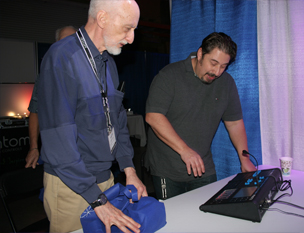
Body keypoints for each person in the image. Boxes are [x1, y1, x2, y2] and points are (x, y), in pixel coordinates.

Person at [37, 1, 146, 232]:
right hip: (72, 186)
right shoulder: (62, 58)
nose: (131, 38)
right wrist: (96, 199)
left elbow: (117, 122)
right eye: (128, 28)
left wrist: (130, 170)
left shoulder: (108, 62)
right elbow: (59, 144)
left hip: (105, 179)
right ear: (103, 19)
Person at [145, 32, 257, 200]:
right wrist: (185, 150)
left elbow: (234, 123)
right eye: (213, 63)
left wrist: (244, 158)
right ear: (200, 54)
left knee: (207, 216)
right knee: (174, 221)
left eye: (223, 66)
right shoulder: (169, 75)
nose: (217, 71)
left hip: (203, 166)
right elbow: (153, 116)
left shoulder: (226, 83)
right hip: (166, 167)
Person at [25, 25, 77, 169]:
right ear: (56, 46)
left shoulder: (89, 72)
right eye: (63, 41)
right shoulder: (45, 75)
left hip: (85, 154)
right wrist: (34, 147)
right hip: (57, 156)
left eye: (73, 41)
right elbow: (35, 111)